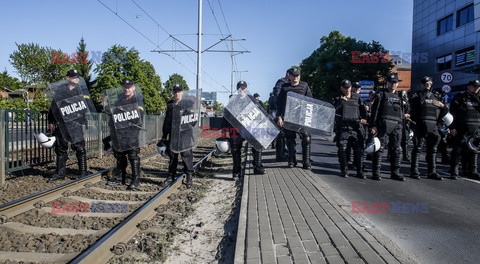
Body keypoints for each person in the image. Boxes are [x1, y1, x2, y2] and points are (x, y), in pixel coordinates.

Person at [47, 69, 88, 182]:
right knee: (60, 149)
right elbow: (54, 106)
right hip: (63, 124)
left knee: (79, 148)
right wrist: (51, 120)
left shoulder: (81, 91)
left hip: (76, 123)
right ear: (68, 78)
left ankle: (83, 173)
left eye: (77, 77)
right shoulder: (60, 91)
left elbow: (87, 106)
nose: (76, 79)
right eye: (74, 77)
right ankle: (60, 173)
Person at [369, 73, 409, 181]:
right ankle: (376, 173)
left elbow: (405, 111)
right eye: (391, 82)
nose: (393, 84)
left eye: (395, 82)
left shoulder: (400, 96)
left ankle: (395, 173)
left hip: (397, 125)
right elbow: (375, 110)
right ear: (387, 83)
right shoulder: (381, 94)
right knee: (380, 149)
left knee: (396, 149)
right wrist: (373, 125)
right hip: (383, 125)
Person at [107, 79, 145, 190]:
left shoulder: (138, 100)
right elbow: (113, 117)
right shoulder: (118, 101)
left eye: (129, 87)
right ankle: (120, 177)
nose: (127, 89)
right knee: (119, 155)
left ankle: (136, 179)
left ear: (133, 88)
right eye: (125, 87)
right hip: (120, 133)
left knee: (133, 155)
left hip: (132, 132)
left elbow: (139, 116)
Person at [223, 81, 266, 178]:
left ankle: (257, 167)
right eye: (239, 88)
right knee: (235, 149)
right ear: (237, 89)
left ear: (246, 89)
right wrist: (224, 130)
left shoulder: (252, 100)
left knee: (257, 146)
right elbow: (226, 116)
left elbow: (261, 114)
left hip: (251, 129)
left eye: (243, 88)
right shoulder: (232, 101)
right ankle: (236, 171)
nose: (241, 90)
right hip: (236, 129)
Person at [409, 76, 447, 180]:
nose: (427, 85)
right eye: (425, 83)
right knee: (418, 148)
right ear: (421, 85)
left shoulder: (437, 95)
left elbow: (444, 111)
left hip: (433, 125)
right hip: (421, 125)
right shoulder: (417, 95)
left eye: (429, 83)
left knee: (433, 150)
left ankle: (432, 171)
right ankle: (414, 170)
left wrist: (442, 106)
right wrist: (425, 93)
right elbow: (413, 109)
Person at [276, 66, 313, 170]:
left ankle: (306, 161)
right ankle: (292, 160)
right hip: (289, 117)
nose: (296, 77)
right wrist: (279, 117)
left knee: (306, 139)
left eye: (297, 75)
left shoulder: (304, 86)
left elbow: (311, 101)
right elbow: (280, 103)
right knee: (290, 140)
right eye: (294, 76)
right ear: (290, 76)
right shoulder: (284, 87)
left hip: (302, 118)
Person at [162, 84, 195, 188]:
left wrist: (186, 113)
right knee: (172, 156)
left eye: (179, 91)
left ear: (182, 92)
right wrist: (164, 135)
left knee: (186, 155)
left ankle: (189, 176)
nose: (177, 93)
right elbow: (167, 121)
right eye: (175, 91)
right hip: (174, 134)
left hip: (185, 134)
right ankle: (171, 176)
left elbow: (193, 120)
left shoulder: (187, 103)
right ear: (173, 92)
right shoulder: (170, 105)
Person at [332, 80, 368, 178]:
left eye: (349, 87)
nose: (347, 89)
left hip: (355, 127)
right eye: (345, 87)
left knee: (359, 149)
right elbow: (332, 110)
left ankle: (359, 171)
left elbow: (363, 110)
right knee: (342, 148)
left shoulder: (356, 97)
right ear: (341, 88)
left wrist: (364, 118)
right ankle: (344, 170)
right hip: (343, 127)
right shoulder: (337, 97)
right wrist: (341, 102)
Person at [449, 80, 480, 180]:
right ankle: (454, 171)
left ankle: (473, 171)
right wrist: (452, 127)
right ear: (468, 87)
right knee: (458, 150)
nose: (476, 88)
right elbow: (452, 113)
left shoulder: (479, 98)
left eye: (478, 87)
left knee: (474, 150)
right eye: (474, 86)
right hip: (461, 128)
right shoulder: (460, 97)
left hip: (475, 128)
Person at [272, 71, 290, 161]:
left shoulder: (287, 83)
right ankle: (280, 155)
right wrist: (279, 113)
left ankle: (283, 152)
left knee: (284, 134)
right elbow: (277, 97)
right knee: (281, 134)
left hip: (286, 112)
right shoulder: (281, 82)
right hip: (281, 112)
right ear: (287, 74)